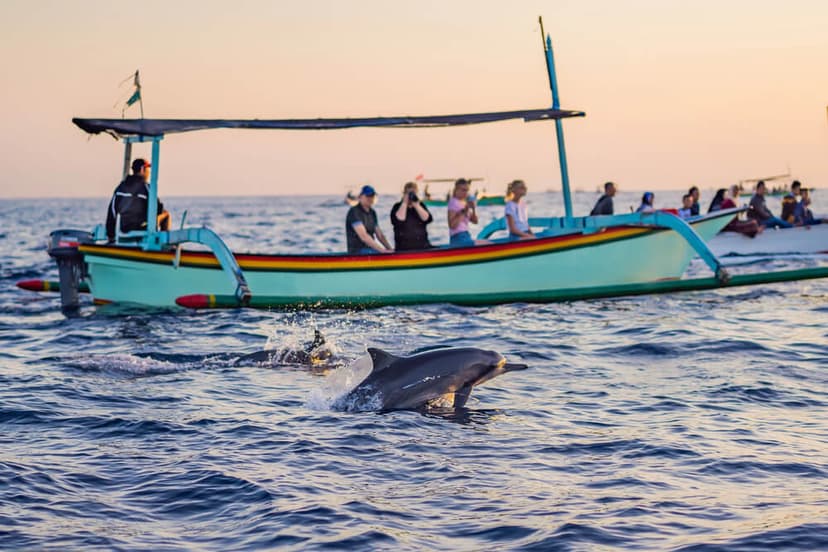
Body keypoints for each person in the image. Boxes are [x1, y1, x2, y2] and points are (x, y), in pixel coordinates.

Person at [105, 158, 170, 242]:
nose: (148, 172)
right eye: (147, 169)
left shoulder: (121, 188)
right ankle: (162, 244)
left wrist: (111, 235)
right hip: (142, 228)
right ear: (142, 169)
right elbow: (158, 209)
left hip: (124, 228)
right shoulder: (146, 188)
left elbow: (112, 212)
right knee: (165, 214)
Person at [345, 185, 393, 254]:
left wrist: (390, 249)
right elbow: (364, 236)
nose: (370, 198)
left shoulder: (372, 212)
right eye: (368, 196)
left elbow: (380, 235)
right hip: (357, 251)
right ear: (360, 197)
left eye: (372, 196)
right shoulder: (354, 212)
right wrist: (382, 251)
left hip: (370, 250)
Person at [390, 181, 433, 251]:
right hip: (403, 248)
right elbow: (399, 220)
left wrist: (416, 205)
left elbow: (427, 219)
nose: (411, 196)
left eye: (414, 193)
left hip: (423, 247)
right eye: (408, 193)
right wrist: (404, 203)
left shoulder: (420, 206)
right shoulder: (397, 206)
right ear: (404, 193)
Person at [448, 178, 482, 247]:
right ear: (456, 190)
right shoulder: (453, 202)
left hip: (466, 236)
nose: (466, 193)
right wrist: (465, 210)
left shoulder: (464, 203)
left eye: (467, 190)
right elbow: (452, 225)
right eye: (463, 190)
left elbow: (475, 221)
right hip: (458, 238)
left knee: (487, 243)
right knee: (487, 244)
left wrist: (473, 209)